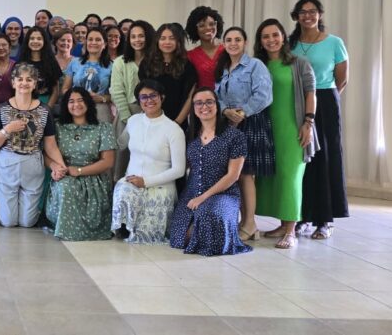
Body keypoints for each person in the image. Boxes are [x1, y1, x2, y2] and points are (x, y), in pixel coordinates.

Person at [254, 18, 318, 249]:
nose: (271, 40)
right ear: (260, 41)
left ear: (283, 37)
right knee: (274, 177)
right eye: (266, 36)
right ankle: (283, 225)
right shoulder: (257, 65)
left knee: (291, 178)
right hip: (266, 129)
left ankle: (291, 231)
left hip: (293, 129)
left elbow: (311, 93)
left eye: (275, 35)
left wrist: (308, 122)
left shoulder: (299, 63)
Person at [289, 0, 348, 240]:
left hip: (325, 100)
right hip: (296, 102)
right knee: (302, 160)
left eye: (312, 11)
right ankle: (302, 217)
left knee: (326, 158)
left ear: (320, 14)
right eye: (302, 12)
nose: (308, 15)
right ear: (296, 16)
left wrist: (320, 101)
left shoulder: (334, 42)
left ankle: (325, 220)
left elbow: (342, 79)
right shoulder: (290, 44)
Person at [169, 88, 253, 256]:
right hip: (192, 192)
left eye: (209, 102)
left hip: (223, 194)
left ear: (217, 105)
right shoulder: (190, 134)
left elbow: (233, 176)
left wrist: (203, 197)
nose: (204, 107)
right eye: (199, 103)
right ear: (193, 108)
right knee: (178, 237)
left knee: (207, 217)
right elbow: (183, 166)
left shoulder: (234, 136)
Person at [0, 63, 67, 227]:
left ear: (35, 84)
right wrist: (7, 130)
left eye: (29, 79)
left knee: (27, 222)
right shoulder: (2, 109)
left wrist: (61, 166)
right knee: (8, 222)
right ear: (13, 83)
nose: (24, 83)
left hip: (32, 163)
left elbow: (50, 145)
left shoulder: (44, 111)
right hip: (7, 163)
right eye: (20, 79)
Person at [215, 27, 274, 242]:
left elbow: (264, 95)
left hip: (250, 122)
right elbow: (217, 95)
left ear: (245, 42)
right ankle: (243, 222)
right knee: (234, 173)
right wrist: (224, 110)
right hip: (228, 124)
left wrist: (242, 113)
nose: (233, 43)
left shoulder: (255, 65)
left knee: (245, 173)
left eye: (237, 39)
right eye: (229, 40)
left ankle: (250, 224)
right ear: (224, 44)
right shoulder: (223, 68)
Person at [111, 80, 185, 244]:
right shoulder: (133, 121)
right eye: (144, 97)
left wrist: (146, 181)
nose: (149, 100)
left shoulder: (174, 130)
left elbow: (179, 170)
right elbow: (120, 144)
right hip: (132, 180)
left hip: (160, 186)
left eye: (153, 96)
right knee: (122, 189)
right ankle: (123, 229)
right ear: (139, 101)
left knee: (147, 235)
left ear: (162, 97)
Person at [45, 87, 116, 241]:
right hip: (65, 175)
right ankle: (67, 231)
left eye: (80, 100)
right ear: (66, 105)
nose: (76, 104)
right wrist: (55, 167)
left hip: (94, 178)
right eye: (71, 101)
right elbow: (46, 154)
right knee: (66, 187)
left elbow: (108, 162)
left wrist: (79, 171)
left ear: (88, 103)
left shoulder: (103, 128)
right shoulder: (57, 127)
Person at [110, 20, 155, 179]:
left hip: (151, 114)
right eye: (133, 36)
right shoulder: (120, 62)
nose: (137, 40)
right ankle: (118, 190)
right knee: (122, 159)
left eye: (141, 36)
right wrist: (127, 118)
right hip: (126, 114)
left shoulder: (154, 61)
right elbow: (117, 91)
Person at [138, 23, 197, 125]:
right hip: (151, 120)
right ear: (157, 41)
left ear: (178, 41)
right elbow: (144, 94)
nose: (167, 42)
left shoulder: (187, 66)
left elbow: (190, 98)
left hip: (177, 121)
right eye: (163, 38)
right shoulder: (147, 64)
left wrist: (177, 122)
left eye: (172, 38)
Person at [62, 28, 114, 122]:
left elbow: (114, 94)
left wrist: (102, 98)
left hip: (100, 110)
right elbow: (65, 89)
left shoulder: (112, 66)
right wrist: (76, 98)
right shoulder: (74, 62)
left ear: (105, 44)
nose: (93, 42)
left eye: (98, 40)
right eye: (90, 39)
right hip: (75, 108)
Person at [18, 26, 62, 107]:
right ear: (27, 41)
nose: (35, 41)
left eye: (39, 39)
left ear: (44, 41)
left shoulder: (52, 63)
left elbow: (56, 91)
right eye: (32, 38)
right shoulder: (21, 63)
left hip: (46, 104)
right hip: (24, 104)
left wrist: (47, 109)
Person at [185, 6, 224, 89]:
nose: (208, 28)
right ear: (195, 29)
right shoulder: (190, 56)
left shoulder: (227, 50)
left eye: (211, 24)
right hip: (202, 96)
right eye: (202, 25)